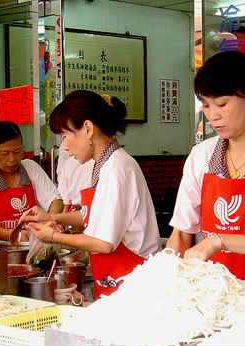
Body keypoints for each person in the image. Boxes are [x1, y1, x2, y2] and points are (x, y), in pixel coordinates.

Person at [18, 90, 162, 299]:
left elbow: (103, 242)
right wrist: (50, 217)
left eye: (66, 136)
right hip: (117, 278)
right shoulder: (104, 164)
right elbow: (95, 216)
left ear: (87, 128)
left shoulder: (116, 168)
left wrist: (52, 236)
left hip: (133, 282)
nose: (65, 147)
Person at [166, 51, 245, 282]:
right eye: (205, 105)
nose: (213, 116)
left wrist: (219, 240)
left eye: (222, 104)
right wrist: (165, 275)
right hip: (214, 296)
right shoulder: (201, 155)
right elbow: (182, 234)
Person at [0, 121, 63, 242]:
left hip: (33, 243)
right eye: (5, 153)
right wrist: (15, 235)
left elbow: (56, 201)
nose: (12, 159)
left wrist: (50, 222)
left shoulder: (31, 168)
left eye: (17, 152)